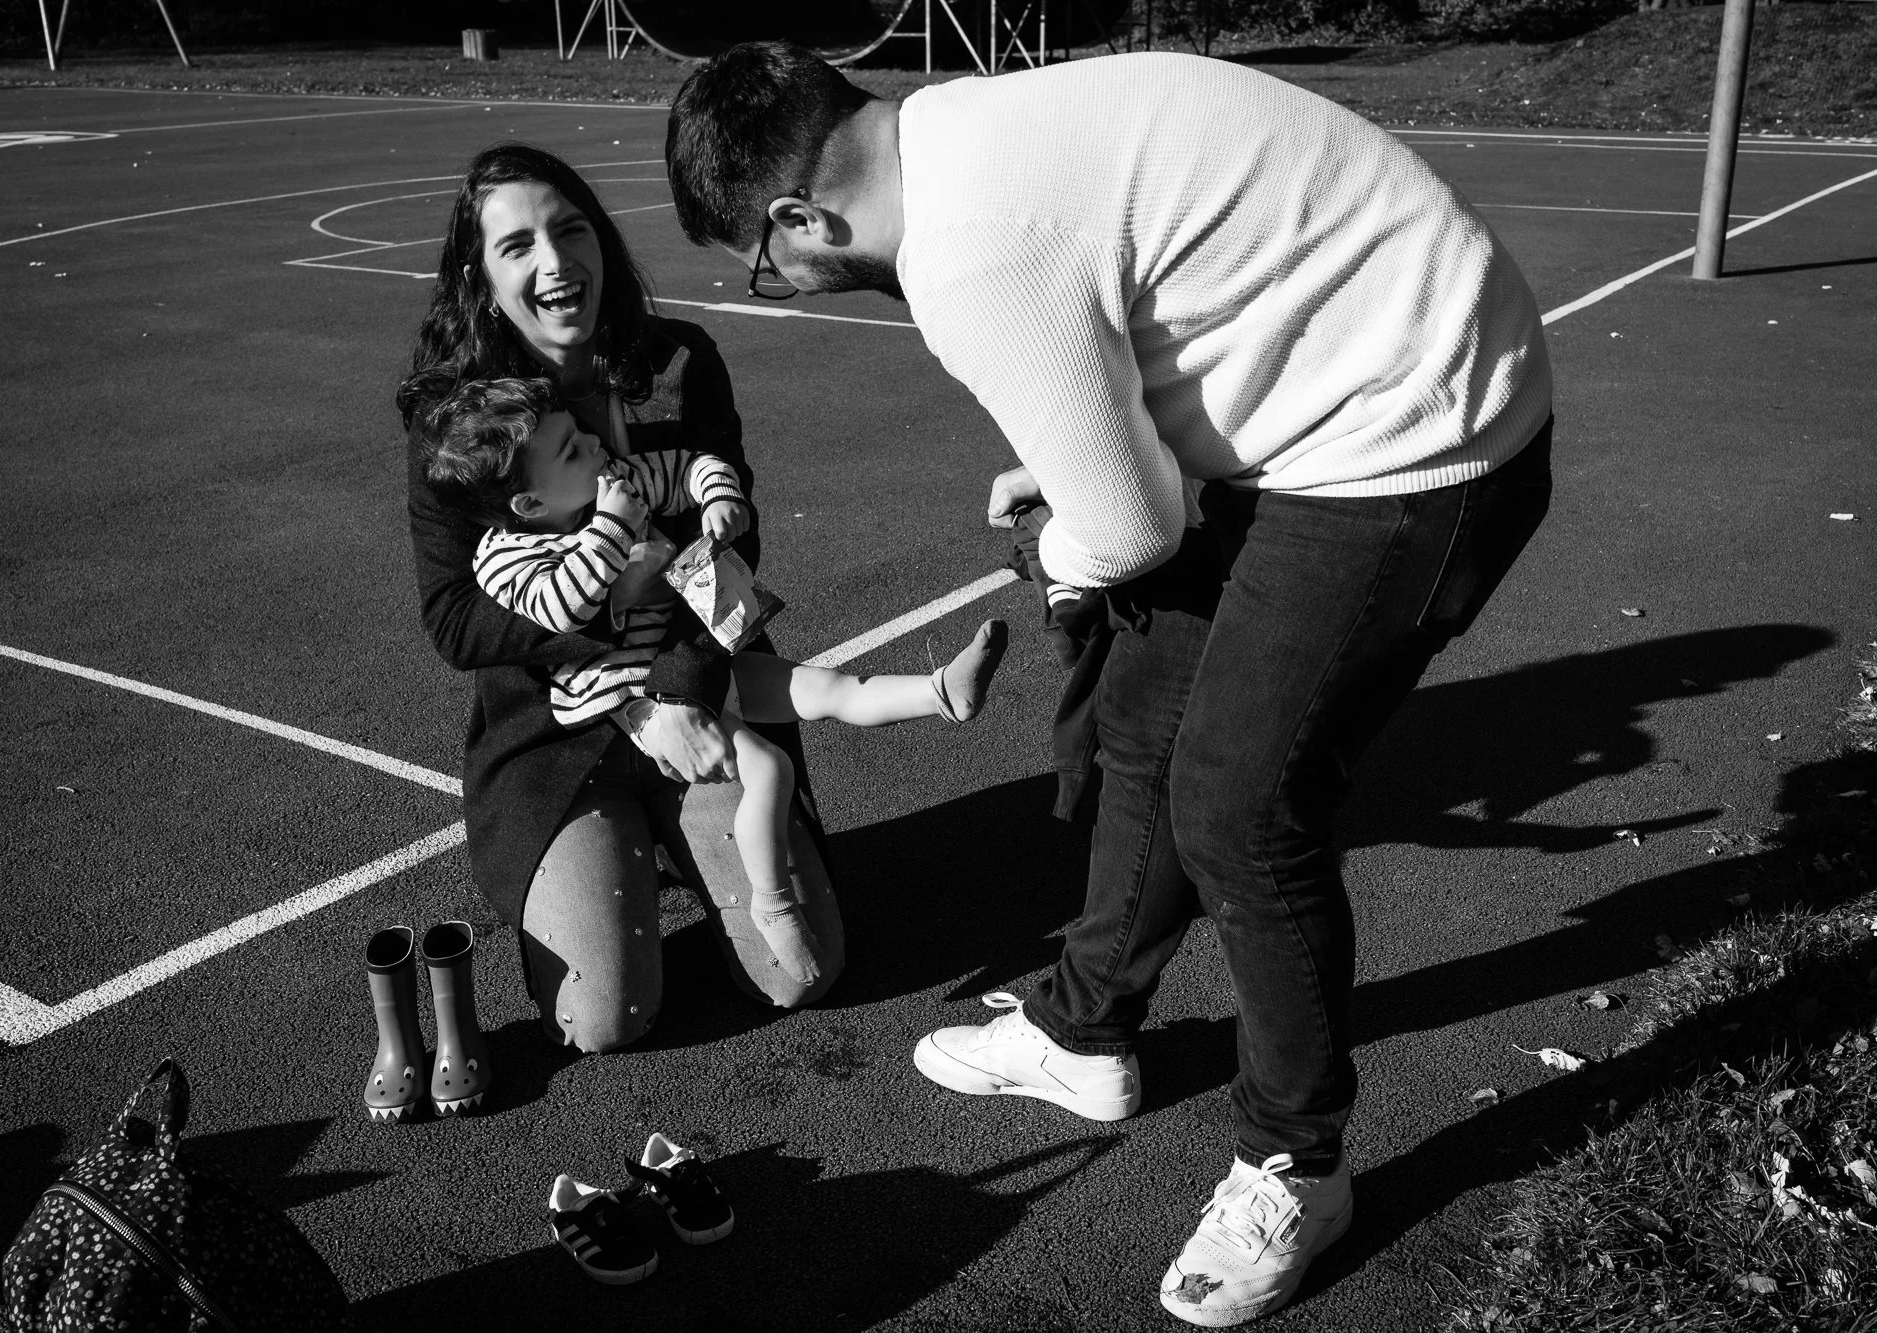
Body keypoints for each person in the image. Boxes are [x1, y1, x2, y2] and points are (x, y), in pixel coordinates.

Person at [664, 46, 1554, 1325]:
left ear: (800, 217)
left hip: (1417, 446)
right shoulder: (961, 124)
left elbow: (1126, 533)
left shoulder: (964, 255)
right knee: (1141, 715)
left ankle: (1296, 1160)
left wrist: (1062, 543)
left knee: (1242, 811)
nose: (785, 284)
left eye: (769, 263)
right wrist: (1102, 477)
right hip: (1350, 378)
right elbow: (1155, 311)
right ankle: (1083, 1033)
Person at [397, 141, 850, 1055]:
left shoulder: (680, 363)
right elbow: (456, 617)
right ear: (482, 280)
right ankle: (599, 845)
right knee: (603, 1019)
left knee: (807, 974)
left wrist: (679, 690)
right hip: (560, 720)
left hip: (697, 683)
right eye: (517, 245)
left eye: (570, 231)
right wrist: (635, 704)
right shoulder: (460, 423)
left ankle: (674, 828)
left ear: (602, 241)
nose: (556, 262)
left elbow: (734, 547)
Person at [415, 374, 1009, 984]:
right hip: (630, 697)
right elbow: (561, 607)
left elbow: (689, 465)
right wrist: (613, 531)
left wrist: (720, 495)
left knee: (823, 686)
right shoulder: (504, 556)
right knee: (770, 768)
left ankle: (941, 692)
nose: (593, 444)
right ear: (530, 506)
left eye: (580, 432)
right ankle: (770, 901)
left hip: (692, 669)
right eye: (571, 449)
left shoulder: (615, 480)